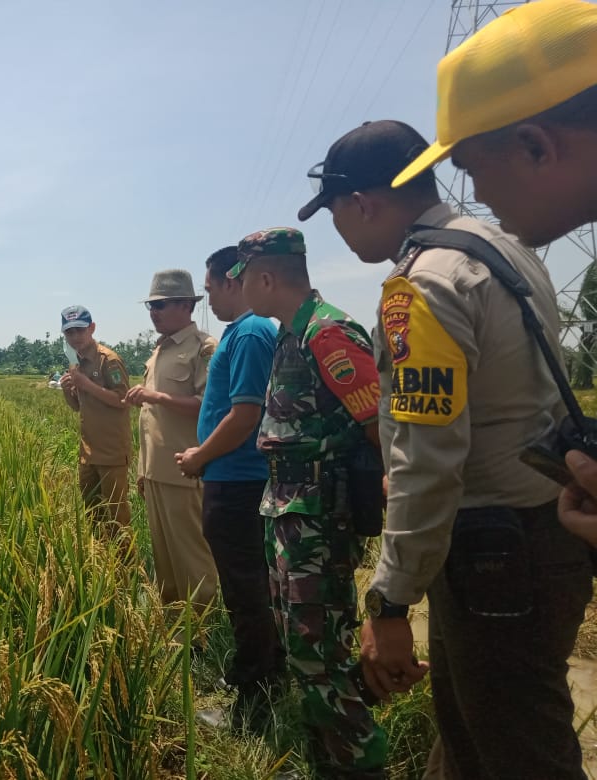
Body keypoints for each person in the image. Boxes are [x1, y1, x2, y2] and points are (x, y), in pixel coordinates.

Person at [300, 118, 591, 779]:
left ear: (361, 204)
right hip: (543, 529)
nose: (341, 232)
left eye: (336, 216)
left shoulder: (423, 285)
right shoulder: (500, 247)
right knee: (472, 731)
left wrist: (392, 604)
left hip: (496, 551)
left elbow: (429, 462)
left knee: (519, 749)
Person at [389, 0, 597, 553]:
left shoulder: (434, 275)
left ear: (535, 146)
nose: (476, 197)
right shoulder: (507, 255)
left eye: (474, 169)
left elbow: (428, 460)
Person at [231, 227, 387, 778]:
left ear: (266, 278)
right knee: (304, 648)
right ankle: (328, 761)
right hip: (291, 513)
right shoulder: (289, 334)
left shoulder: (328, 334)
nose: (240, 288)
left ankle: (358, 763)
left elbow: (383, 433)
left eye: (243, 278)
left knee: (323, 655)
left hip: (319, 519)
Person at [174, 246, 283, 732]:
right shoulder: (240, 333)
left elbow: (245, 415)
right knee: (250, 587)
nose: (208, 300)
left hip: (237, 483)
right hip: (231, 480)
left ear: (232, 281)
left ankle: (251, 701)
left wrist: (200, 456)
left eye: (211, 288)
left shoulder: (253, 332)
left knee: (246, 591)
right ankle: (264, 681)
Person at [124, 270, 218, 621]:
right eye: (151, 305)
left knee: (191, 554)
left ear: (186, 305)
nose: (154, 312)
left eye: (161, 305)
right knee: (164, 557)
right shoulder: (159, 350)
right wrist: (141, 469)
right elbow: (149, 419)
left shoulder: (204, 349)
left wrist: (157, 395)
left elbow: (209, 405)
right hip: (155, 471)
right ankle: (174, 623)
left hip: (185, 470)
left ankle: (201, 629)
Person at [58, 305, 133, 540]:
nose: (75, 337)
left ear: (92, 328)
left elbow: (123, 399)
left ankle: (126, 569)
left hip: (111, 452)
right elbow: (77, 406)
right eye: (70, 333)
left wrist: (86, 384)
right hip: (88, 453)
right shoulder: (75, 364)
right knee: (93, 514)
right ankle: (101, 562)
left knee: (116, 517)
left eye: (80, 330)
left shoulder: (108, 360)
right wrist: (67, 389)